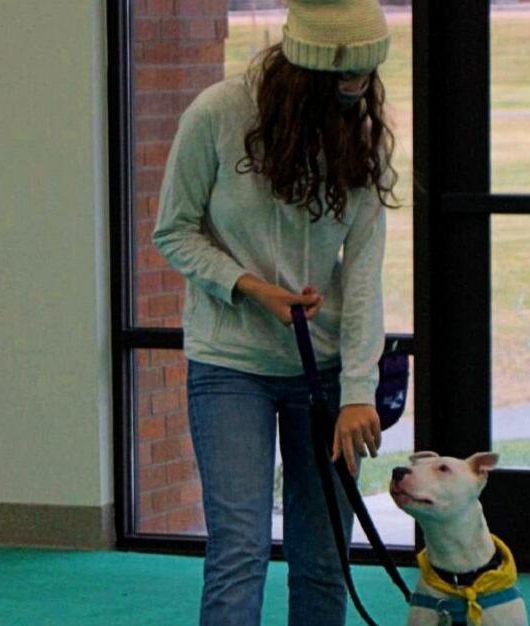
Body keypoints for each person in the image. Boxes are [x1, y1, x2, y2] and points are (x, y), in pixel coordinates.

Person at [152, 0, 397, 624]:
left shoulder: (362, 137)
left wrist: (358, 392)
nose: (357, 90)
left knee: (322, 563)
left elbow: (365, 280)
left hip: (325, 373)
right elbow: (173, 231)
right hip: (231, 366)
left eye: (366, 77)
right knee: (240, 552)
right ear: (301, 72)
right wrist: (248, 286)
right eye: (343, 79)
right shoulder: (216, 114)